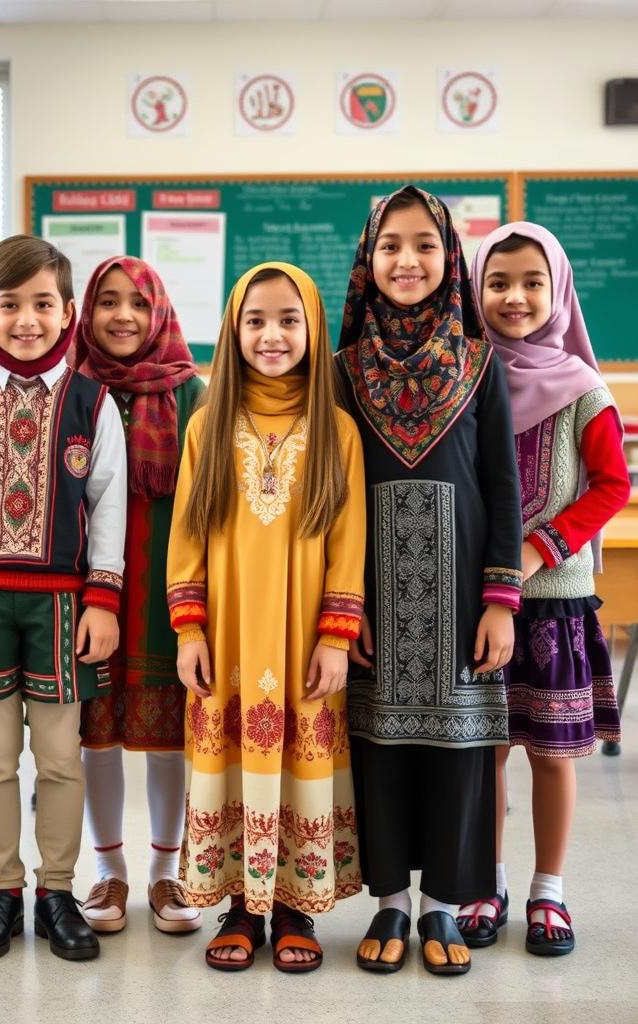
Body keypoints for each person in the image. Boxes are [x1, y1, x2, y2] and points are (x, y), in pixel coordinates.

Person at [335, 187, 522, 976]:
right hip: (372, 591)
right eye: (390, 246)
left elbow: (505, 486)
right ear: (366, 260)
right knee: (378, 741)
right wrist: (339, 608)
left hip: (459, 595)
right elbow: (331, 495)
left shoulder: (481, 363)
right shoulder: (342, 369)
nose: (407, 260)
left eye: (425, 245)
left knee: (458, 747)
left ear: (452, 259)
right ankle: (389, 902)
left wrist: (501, 599)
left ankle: (443, 901)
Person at [0, 235, 127, 962]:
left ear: (68, 312)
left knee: (62, 757)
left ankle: (58, 891)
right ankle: (1, 889)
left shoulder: (91, 402)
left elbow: (108, 506)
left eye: (43, 303)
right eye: (10, 305)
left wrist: (103, 598)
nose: (28, 319)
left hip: (64, 608)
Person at [166, 262, 366, 972]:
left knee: (295, 764)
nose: (272, 334)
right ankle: (241, 908)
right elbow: (186, 538)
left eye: (289, 320)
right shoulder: (207, 426)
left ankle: (293, 908)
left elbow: (349, 544)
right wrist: (189, 627)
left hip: (304, 636)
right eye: (255, 321)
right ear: (232, 329)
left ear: (314, 329)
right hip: (228, 639)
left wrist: (337, 637)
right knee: (229, 763)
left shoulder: (337, 430)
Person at [455, 222, 629, 957]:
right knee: (486, 748)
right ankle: (486, 882)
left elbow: (611, 485)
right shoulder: (463, 376)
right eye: (497, 283)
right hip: (477, 600)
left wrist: (539, 547)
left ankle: (548, 892)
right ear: (474, 290)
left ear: (557, 289)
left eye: (532, 283)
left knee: (553, 753)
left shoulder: (583, 387)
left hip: (554, 598)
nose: (515, 297)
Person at [72, 256, 204, 935]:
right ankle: (109, 874)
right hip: (87, 591)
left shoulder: (194, 394)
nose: (122, 315)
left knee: (167, 737)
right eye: (107, 302)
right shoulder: (70, 388)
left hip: (164, 592)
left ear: (160, 314)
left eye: (138, 303)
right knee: (95, 736)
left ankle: (163, 872)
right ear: (86, 313)